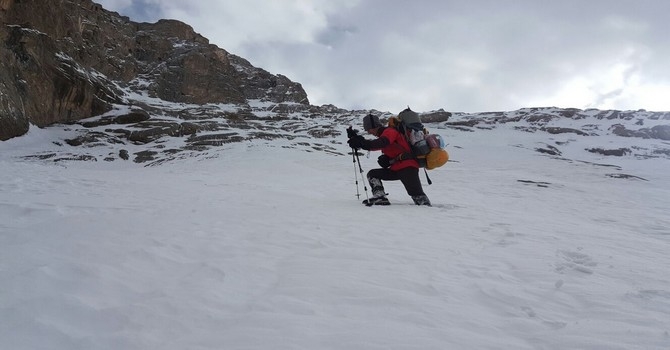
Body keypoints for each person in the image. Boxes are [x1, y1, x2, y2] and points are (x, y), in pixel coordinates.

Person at [347, 113, 431, 206]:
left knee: (418, 196)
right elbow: (382, 145)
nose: (369, 132)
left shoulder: (390, 131)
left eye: (368, 129)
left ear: (374, 126)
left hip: (407, 167)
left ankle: (429, 213)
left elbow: (382, 143)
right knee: (373, 174)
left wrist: (362, 143)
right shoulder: (384, 134)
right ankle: (380, 197)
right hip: (397, 168)